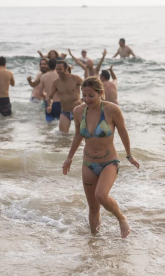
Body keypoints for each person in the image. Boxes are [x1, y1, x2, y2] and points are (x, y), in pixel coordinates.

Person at [62, 76, 140, 238]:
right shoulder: (78, 111)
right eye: (84, 95)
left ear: (101, 94)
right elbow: (78, 135)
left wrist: (129, 155)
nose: (87, 99)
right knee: (93, 207)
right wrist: (69, 157)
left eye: (91, 95)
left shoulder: (111, 110)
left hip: (109, 162)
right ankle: (95, 242)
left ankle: (121, 218)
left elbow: (123, 132)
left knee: (101, 196)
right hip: (88, 163)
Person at [47, 60, 83, 133]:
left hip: (78, 110)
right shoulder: (56, 82)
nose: (58, 71)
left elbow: (90, 89)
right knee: (63, 135)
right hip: (65, 112)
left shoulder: (75, 78)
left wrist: (82, 100)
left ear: (66, 69)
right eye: (56, 69)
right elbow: (50, 97)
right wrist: (49, 106)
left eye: (60, 69)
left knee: (82, 133)